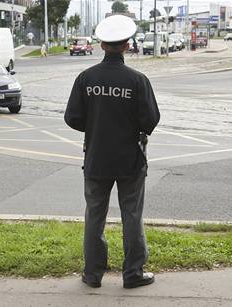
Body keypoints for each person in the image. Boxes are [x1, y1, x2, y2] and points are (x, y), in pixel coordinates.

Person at [64, 15, 160, 289]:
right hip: (130, 159)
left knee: (94, 215)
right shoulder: (138, 80)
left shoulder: (86, 79)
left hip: (96, 157)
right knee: (132, 216)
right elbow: (151, 120)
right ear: (127, 45)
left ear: (102, 45)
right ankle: (133, 274)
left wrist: (95, 126)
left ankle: (92, 275)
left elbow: (72, 118)